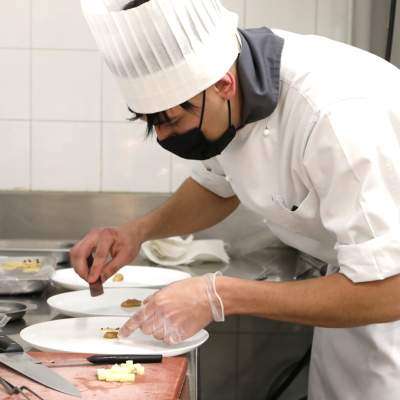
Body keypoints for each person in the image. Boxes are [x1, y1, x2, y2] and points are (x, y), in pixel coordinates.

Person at [73, 0, 400, 398]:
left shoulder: (337, 118)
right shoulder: (231, 91)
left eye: (172, 120)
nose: (163, 137)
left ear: (224, 85)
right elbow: (217, 186)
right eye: (151, 124)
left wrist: (218, 295)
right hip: (350, 300)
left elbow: (388, 290)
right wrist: (136, 232)